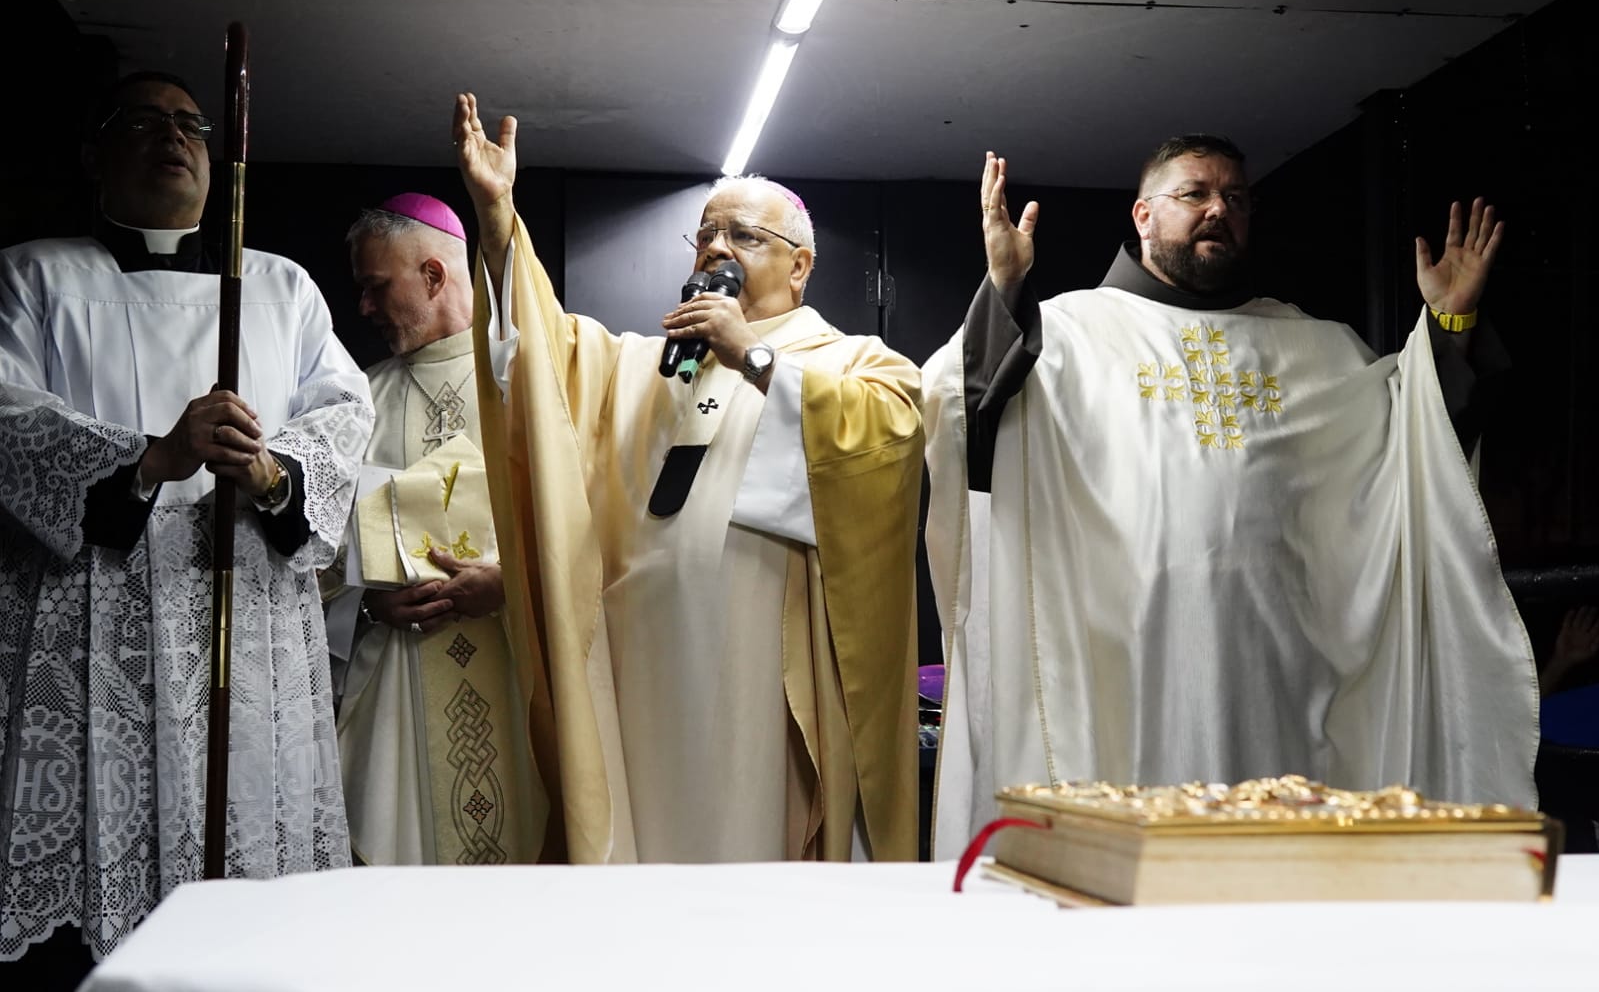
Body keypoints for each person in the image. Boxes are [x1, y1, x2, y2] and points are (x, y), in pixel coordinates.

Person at [924, 136, 1537, 857]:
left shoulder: (1316, 346)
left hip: (1279, 675)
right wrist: (1002, 292)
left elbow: (1412, 438)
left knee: (1272, 876)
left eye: (1236, 199)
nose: (1219, 210)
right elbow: (963, 409)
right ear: (1144, 215)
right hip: (1124, 670)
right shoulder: (1066, 332)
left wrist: (1449, 328)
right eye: (1196, 194)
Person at [451, 92, 923, 862]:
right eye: (704, 232)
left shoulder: (851, 362)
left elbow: (889, 440)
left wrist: (753, 356)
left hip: (758, 673)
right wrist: (500, 220)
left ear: (801, 266)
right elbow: (540, 357)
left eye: (743, 233)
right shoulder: (634, 364)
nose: (715, 247)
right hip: (640, 664)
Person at [0, 71, 372, 974]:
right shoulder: (36, 274)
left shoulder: (281, 288)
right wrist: (153, 460)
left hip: (245, 637)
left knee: (249, 913)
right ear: (95, 154)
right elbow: (9, 418)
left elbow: (345, 411)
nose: (173, 138)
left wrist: (272, 469)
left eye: (191, 125)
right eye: (143, 122)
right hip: (97, 634)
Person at [332, 193, 543, 864]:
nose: (363, 308)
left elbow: (591, 516)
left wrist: (513, 583)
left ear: (432, 275)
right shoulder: (356, 399)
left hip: (518, 666)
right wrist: (367, 602)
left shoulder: (528, 380)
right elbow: (316, 546)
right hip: (399, 680)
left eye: (374, 287)